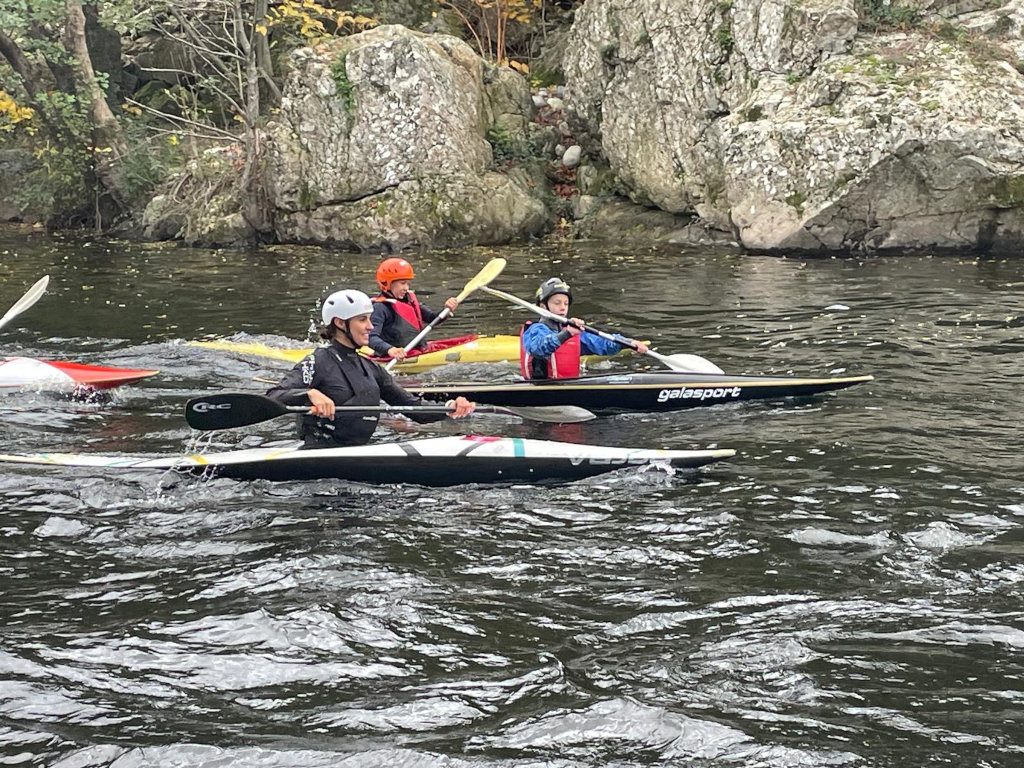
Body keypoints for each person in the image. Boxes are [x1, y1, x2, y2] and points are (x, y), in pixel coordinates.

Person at [267, 288, 474, 448]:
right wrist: (309, 393)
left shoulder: (371, 368)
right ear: (340, 323)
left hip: (356, 454)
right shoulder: (318, 361)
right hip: (318, 457)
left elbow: (412, 407)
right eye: (362, 319)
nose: (371, 326)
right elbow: (274, 396)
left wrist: (449, 407)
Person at [520, 277, 649, 380]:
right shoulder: (535, 329)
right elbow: (538, 349)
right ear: (543, 306)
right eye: (557, 303)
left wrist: (627, 343)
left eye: (566, 303)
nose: (563, 307)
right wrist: (567, 334)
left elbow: (601, 343)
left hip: (568, 386)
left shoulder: (573, 331)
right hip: (540, 387)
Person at [367, 257, 459, 361]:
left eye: (407, 283)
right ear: (387, 283)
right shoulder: (380, 308)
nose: (406, 287)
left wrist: (446, 310)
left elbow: (432, 318)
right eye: (402, 283)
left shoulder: (409, 301)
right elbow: (371, 338)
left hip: (416, 351)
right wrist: (390, 350)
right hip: (394, 356)